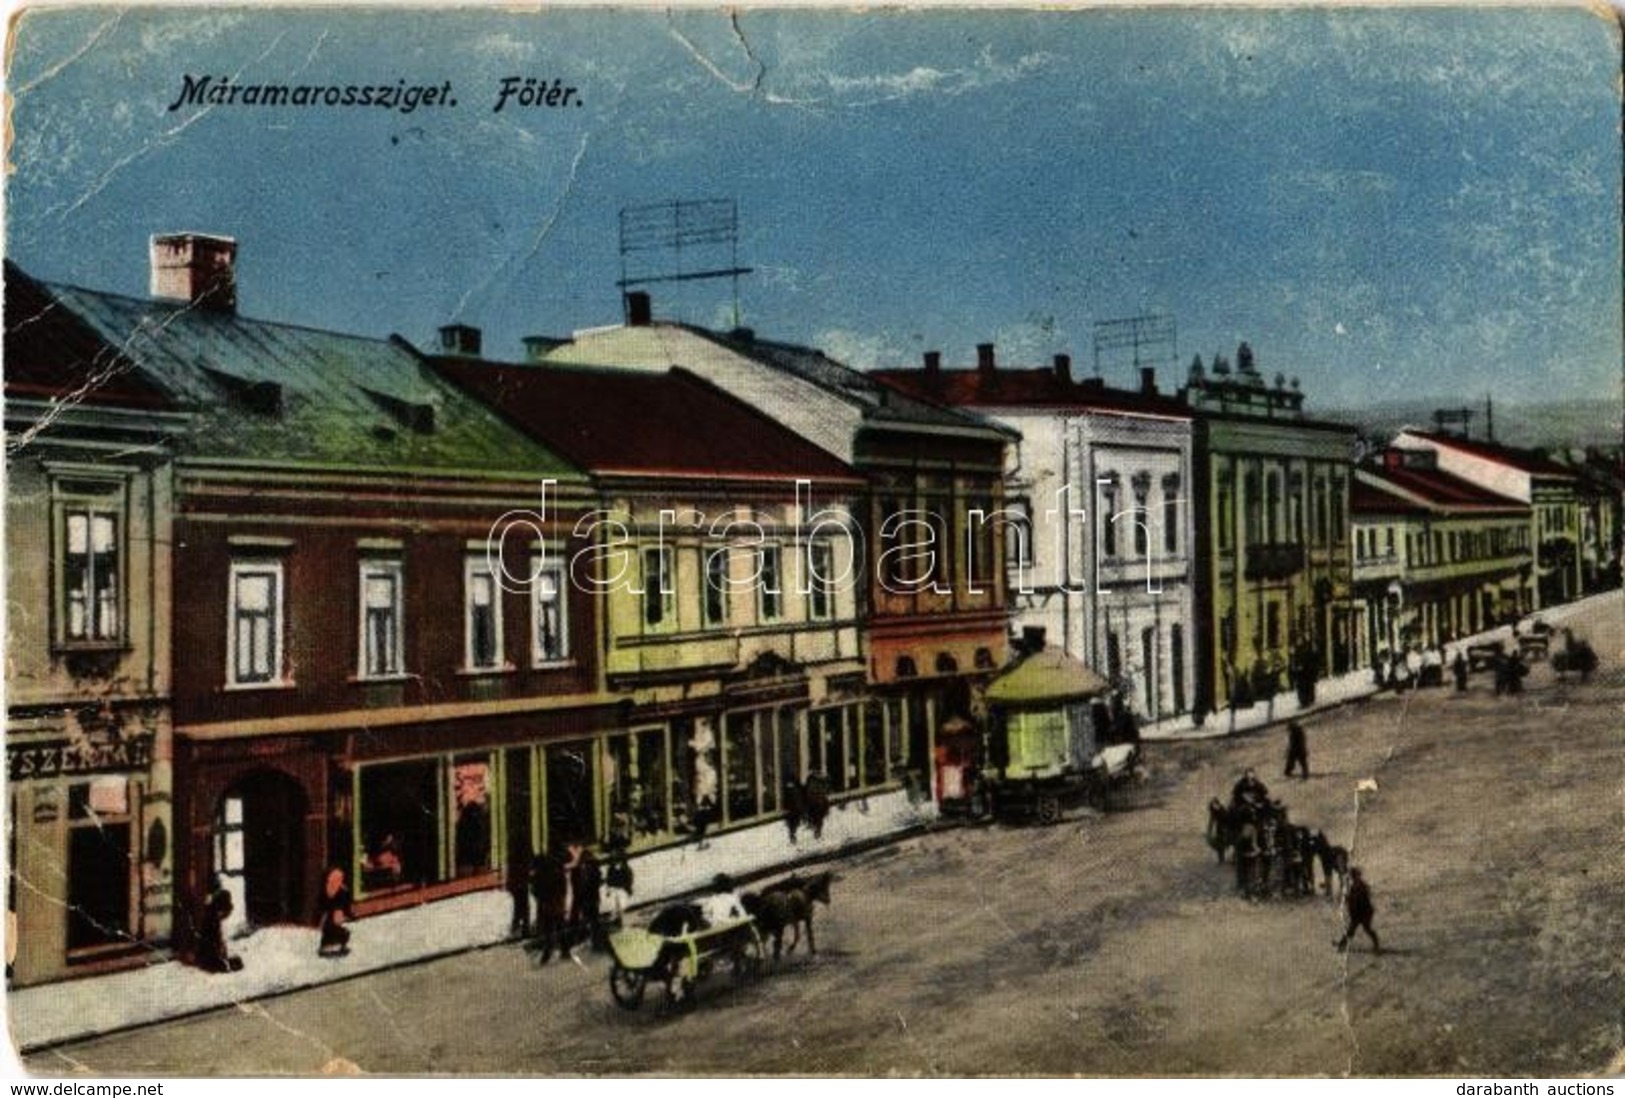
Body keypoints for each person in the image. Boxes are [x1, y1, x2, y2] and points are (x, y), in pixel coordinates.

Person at [195, 883, 243, 973]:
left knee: (231, 963)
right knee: (224, 965)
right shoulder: (211, 920)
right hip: (207, 956)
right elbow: (212, 943)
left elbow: (218, 941)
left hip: (209, 954)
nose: (224, 917)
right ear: (220, 910)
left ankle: (227, 964)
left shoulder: (212, 916)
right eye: (224, 914)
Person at [1334, 867, 1380, 954]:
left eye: (1352, 877)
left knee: (1365, 929)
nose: (1351, 879)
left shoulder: (1360, 886)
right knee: (1352, 929)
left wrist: (1347, 899)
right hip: (1359, 912)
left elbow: (1357, 899)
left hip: (1363, 912)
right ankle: (1342, 943)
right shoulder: (1356, 886)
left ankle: (1376, 944)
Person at [317, 866, 353, 957]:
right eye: (334, 881)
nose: (338, 883)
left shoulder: (343, 893)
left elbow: (344, 914)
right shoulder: (324, 896)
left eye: (340, 880)